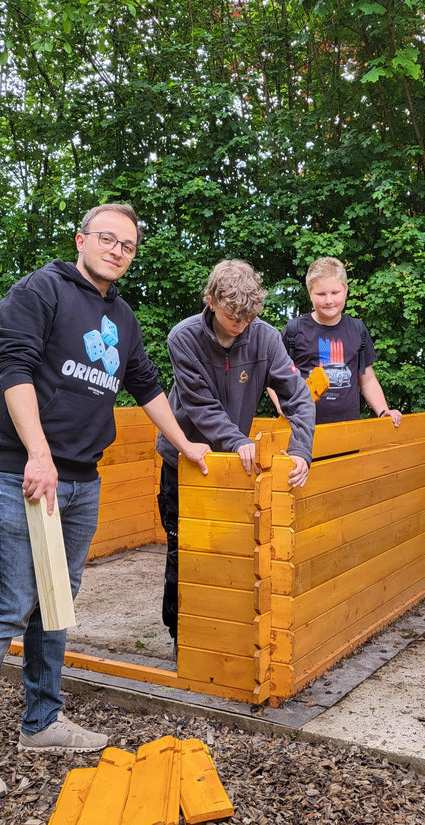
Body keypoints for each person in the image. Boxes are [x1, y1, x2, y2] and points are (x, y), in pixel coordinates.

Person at [0, 204, 210, 803]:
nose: (117, 250)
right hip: (27, 472)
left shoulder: (123, 316)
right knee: (9, 606)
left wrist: (186, 444)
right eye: (107, 239)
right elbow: (15, 372)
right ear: (82, 239)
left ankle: (41, 721)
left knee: (60, 600)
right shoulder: (41, 291)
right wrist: (38, 454)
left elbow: (147, 386)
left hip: (82, 478)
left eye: (128, 245)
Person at [156, 260, 315, 644]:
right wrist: (240, 441)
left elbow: (299, 397)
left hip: (234, 465)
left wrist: (301, 452)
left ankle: (223, 636)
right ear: (210, 301)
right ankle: (182, 634)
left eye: (247, 318)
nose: (240, 326)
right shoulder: (183, 338)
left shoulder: (265, 338)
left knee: (232, 548)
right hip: (185, 460)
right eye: (232, 317)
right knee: (184, 546)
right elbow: (202, 406)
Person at [273, 256, 402, 426]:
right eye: (321, 294)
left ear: (346, 290)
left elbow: (367, 379)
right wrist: (282, 405)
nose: (329, 300)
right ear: (310, 293)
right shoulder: (294, 330)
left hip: (348, 431)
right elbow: (273, 375)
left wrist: (383, 411)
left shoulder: (357, 329)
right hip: (302, 431)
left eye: (335, 293)